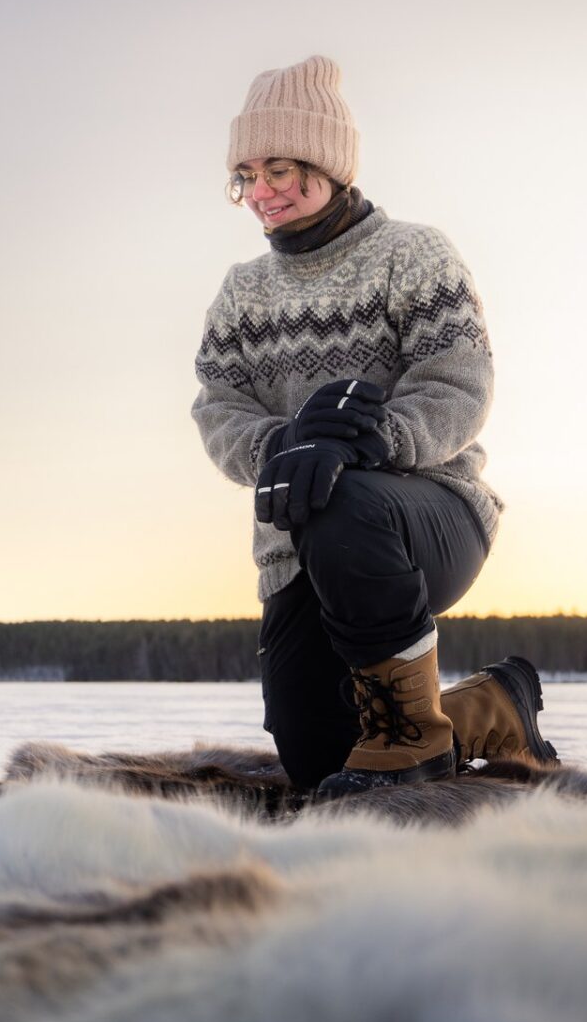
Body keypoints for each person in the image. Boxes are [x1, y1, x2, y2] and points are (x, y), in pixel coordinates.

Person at [192, 55, 555, 799]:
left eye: (281, 170)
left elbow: (458, 385)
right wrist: (286, 444)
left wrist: (371, 441)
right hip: (295, 548)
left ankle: (412, 737)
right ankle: (491, 708)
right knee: (318, 757)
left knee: (344, 497)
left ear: (327, 163)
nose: (261, 192)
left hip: (427, 515)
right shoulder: (241, 295)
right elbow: (217, 408)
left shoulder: (413, 255)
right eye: (246, 176)